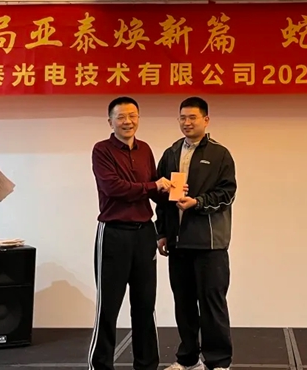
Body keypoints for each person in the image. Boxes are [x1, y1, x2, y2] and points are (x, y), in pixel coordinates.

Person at [89, 97, 175, 370]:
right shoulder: (101, 150)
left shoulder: (145, 149)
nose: (128, 121)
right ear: (110, 122)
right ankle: (100, 365)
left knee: (145, 305)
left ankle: (147, 365)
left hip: (144, 234)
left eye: (132, 116)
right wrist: (153, 186)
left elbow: (155, 190)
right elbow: (114, 188)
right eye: (121, 117)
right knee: (108, 307)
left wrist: (174, 192)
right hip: (113, 233)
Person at [155, 97, 237, 370]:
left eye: (192, 117)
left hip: (210, 244)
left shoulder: (220, 154)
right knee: (184, 304)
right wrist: (162, 232)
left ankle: (218, 362)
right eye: (182, 118)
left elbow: (227, 193)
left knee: (212, 304)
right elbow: (161, 198)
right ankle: (188, 360)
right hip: (178, 243)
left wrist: (198, 202)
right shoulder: (171, 153)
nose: (187, 123)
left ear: (206, 120)